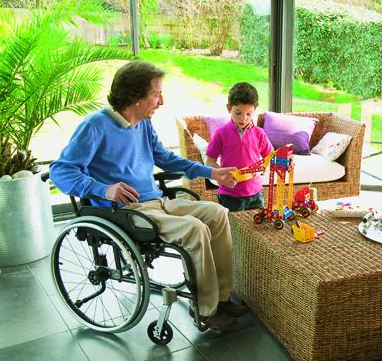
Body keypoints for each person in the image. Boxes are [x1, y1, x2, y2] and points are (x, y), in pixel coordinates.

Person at [50, 60, 248, 331]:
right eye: (156, 94)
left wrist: (212, 172)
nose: (162, 101)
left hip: (158, 202)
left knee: (217, 213)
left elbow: (165, 158)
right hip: (127, 212)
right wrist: (105, 189)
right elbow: (61, 171)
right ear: (135, 97)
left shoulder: (143, 124)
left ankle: (221, 298)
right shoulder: (95, 126)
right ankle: (206, 309)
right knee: (194, 229)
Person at [205, 82, 274, 211]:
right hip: (229, 195)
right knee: (232, 224)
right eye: (238, 113)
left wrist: (262, 169)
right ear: (229, 108)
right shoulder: (220, 134)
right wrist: (223, 175)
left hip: (256, 194)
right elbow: (210, 161)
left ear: (255, 110)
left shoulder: (259, 133)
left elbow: (270, 156)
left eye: (249, 114)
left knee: (256, 224)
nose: (243, 118)